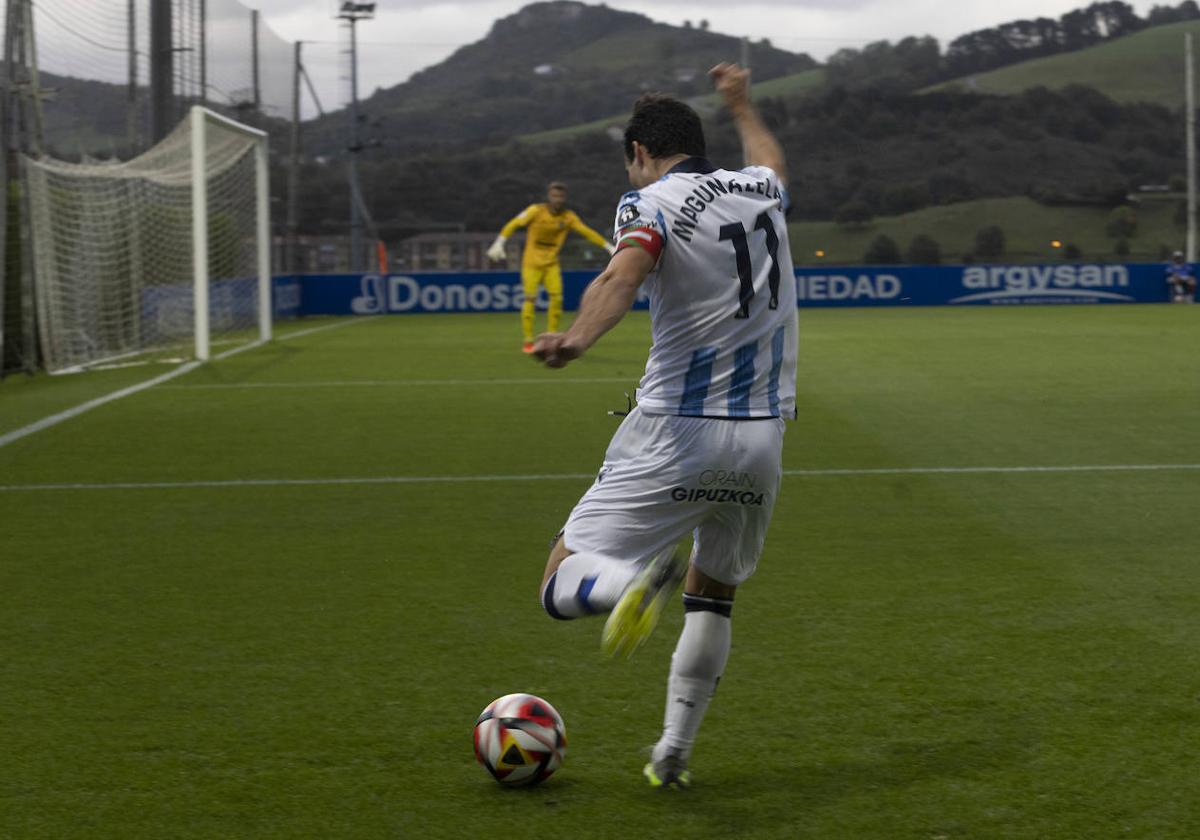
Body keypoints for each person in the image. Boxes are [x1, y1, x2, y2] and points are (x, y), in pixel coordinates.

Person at [532, 63, 798, 789]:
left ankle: (626, 583)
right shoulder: (759, 190)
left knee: (561, 579)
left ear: (641, 153)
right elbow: (771, 161)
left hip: (677, 430)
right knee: (712, 594)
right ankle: (673, 752)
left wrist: (577, 339)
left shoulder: (651, 199)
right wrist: (743, 106)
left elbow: (623, 274)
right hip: (762, 440)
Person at [487, 182, 615, 352]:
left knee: (557, 299)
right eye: (554, 196)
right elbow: (513, 224)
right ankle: (528, 340)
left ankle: (552, 337)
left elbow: (586, 232)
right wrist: (500, 242)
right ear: (549, 196)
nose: (557, 199)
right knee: (530, 299)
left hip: (551, 264)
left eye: (560, 196)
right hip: (531, 263)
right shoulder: (535, 211)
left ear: (564, 198)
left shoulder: (567, 217)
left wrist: (609, 247)